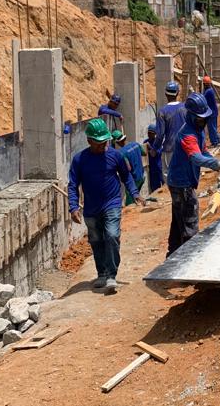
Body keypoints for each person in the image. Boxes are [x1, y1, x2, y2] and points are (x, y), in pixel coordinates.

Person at [67, 118, 143, 293]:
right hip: (91, 208)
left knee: (111, 235)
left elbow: (126, 176)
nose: (104, 146)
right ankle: (101, 273)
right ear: (89, 141)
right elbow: (73, 184)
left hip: (112, 203)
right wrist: (73, 207)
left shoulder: (115, 156)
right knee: (96, 240)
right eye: (99, 143)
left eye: (106, 142)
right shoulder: (80, 160)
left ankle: (111, 275)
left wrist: (135, 193)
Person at [166, 92, 220, 255]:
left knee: (178, 219)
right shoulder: (188, 135)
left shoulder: (198, 130)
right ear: (191, 116)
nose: (203, 121)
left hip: (179, 181)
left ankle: (173, 252)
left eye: (204, 118)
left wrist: (218, 164)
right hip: (181, 183)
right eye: (200, 118)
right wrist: (219, 163)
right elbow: (196, 158)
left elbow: (203, 152)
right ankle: (189, 258)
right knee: (189, 219)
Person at [156, 81, 185, 175]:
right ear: (177, 93)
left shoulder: (162, 111)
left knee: (169, 176)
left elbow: (160, 135)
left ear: (165, 94)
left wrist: (155, 148)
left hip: (170, 149)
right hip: (185, 147)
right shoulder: (185, 107)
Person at [112, 130, 146, 206]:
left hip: (133, 180)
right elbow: (144, 153)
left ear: (117, 142)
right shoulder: (135, 144)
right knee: (137, 199)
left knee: (130, 205)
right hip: (141, 177)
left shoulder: (121, 152)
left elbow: (128, 168)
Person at [144, 122, 164, 194]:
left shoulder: (158, 142)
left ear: (155, 133)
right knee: (153, 186)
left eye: (151, 133)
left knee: (162, 184)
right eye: (149, 133)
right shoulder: (146, 142)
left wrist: (150, 148)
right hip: (151, 168)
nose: (149, 134)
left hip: (158, 167)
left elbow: (157, 154)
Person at [202, 75, 220, 147]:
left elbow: (203, 99)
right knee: (213, 127)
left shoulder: (209, 91)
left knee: (212, 128)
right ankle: (217, 140)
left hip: (211, 113)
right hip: (213, 112)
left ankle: (215, 142)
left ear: (206, 84)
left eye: (204, 84)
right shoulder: (208, 90)